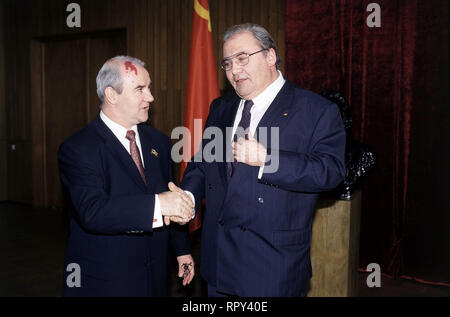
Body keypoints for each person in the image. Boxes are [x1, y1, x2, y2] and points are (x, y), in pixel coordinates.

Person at [179, 23, 346, 297]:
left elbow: (331, 172)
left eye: (243, 58)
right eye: (228, 63)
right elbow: (202, 164)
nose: (234, 70)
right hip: (218, 265)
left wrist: (268, 160)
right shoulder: (221, 108)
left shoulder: (315, 110)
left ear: (270, 56)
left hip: (272, 269)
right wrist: (187, 196)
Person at [58, 55, 195, 296]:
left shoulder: (159, 142)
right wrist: (158, 204)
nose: (150, 97)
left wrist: (182, 250)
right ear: (112, 95)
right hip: (107, 282)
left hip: (156, 279)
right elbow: (93, 211)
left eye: (149, 87)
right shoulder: (79, 148)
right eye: (140, 89)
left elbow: (170, 197)